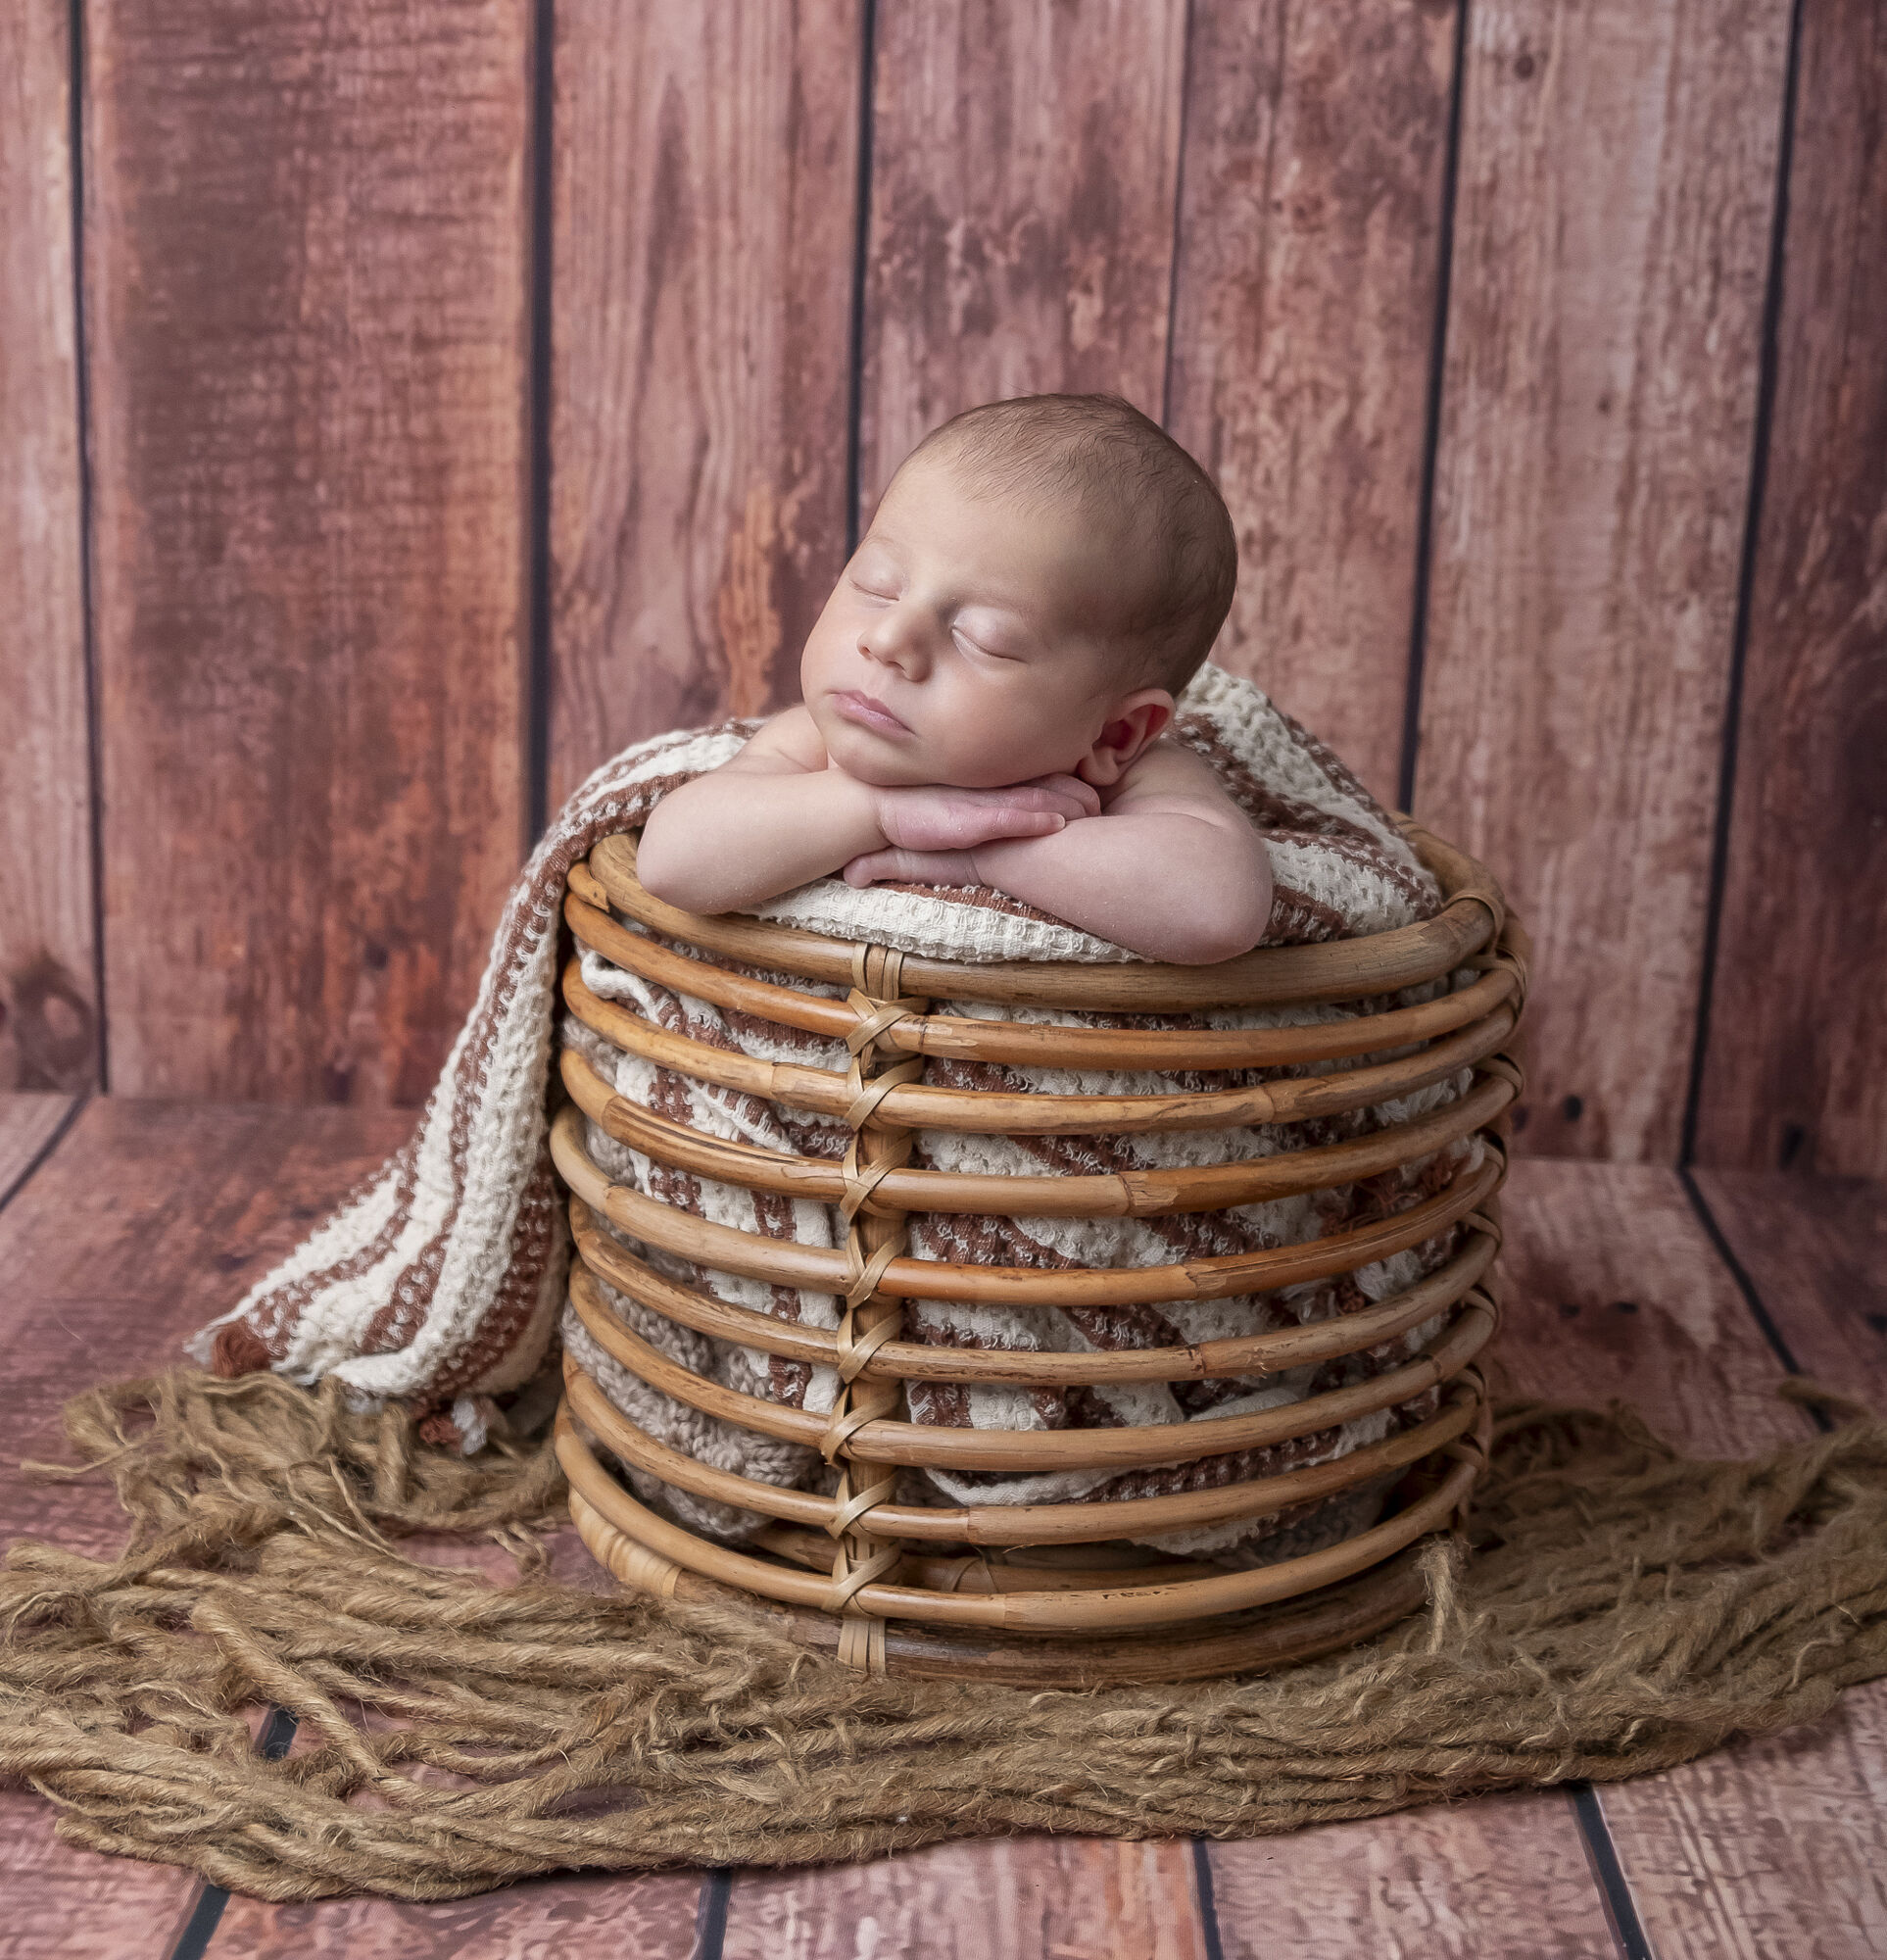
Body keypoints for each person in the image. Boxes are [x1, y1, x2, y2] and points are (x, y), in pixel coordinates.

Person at [636, 393, 1271, 964]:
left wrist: (981, 849)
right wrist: (884, 811)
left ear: (1116, 734)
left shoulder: (1135, 777)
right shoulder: (812, 744)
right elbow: (673, 861)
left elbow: (1218, 911)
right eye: (875, 587)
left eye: (982, 638)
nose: (887, 642)